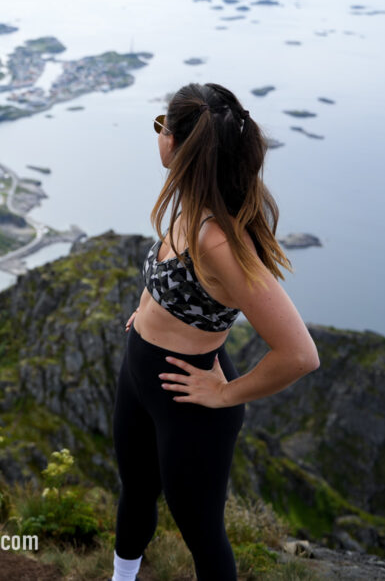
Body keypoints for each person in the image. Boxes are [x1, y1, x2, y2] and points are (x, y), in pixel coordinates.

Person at [111, 82, 320, 581]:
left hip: (189, 398)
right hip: (141, 375)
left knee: (202, 532)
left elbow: (299, 353)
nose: (158, 134)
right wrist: (147, 312)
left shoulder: (219, 241)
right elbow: (181, 290)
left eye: (163, 126)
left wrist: (225, 393)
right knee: (136, 491)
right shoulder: (190, 204)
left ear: (180, 147)